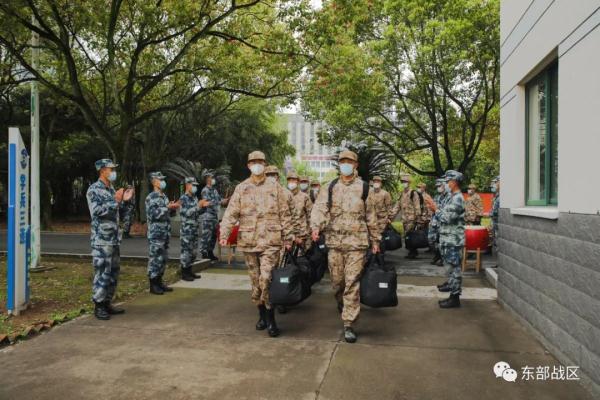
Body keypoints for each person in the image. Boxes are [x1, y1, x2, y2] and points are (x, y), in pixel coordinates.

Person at [219, 151, 293, 337]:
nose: (257, 165)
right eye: (254, 162)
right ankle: (261, 315)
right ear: (248, 165)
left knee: (266, 279)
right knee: (255, 282)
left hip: (271, 242)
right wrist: (224, 233)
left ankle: (271, 319)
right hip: (249, 241)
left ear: (265, 164)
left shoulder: (275, 187)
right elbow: (231, 213)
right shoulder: (242, 188)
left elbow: (285, 213)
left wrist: (289, 237)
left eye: (260, 162)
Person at [310, 150, 381, 343]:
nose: (345, 164)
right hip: (334, 243)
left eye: (349, 161)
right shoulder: (330, 187)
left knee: (352, 283)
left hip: (357, 245)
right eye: (342, 161)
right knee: (337, 283)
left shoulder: (364, 188)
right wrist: (315, 226)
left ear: (356, 165)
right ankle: (342, 304)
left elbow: (371, 218)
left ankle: (349, 323)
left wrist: (375, 241)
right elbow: (319, 208)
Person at [86, 159, 133, 320]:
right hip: (102, 240)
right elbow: (97, 211)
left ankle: (107, 302)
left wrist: (125, 201)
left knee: (113, 272)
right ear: (102, 170)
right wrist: (116, 201)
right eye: (111, 169)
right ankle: (99, 305)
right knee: (102, 272)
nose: (113, 171)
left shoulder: (111, 189)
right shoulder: (94, 190)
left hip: (113, 238)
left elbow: (118, 211)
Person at [425, 170, 466, 308]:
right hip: (447, 239)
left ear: (454, 182)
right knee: (449, 268)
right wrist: (434, 207)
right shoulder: (451, 197)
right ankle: (452, 289)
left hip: (453, 241)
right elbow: (441, 213)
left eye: (448, 181)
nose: (446, 184)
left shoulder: (458, 198)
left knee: (454, 269)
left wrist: (434, 206)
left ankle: (455, 298)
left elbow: (446, 217)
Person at [145, 172, 180, 295]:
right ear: (154, 182)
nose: (162, 181)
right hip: (156, 233)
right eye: (160, 179)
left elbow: (166, 214)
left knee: (163, 258)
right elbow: (154, 214)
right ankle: (153, 284)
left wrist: (172, 208)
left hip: (164, 233)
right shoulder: (151, 197)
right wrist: (168, 208)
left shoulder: (163, 196)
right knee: (155, 258)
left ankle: (159, 281)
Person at [179, 177, 205, 281]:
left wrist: (203, 207)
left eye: (195, 185)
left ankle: (190, 271)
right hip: (186, 229)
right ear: (187, 185)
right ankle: (184, 273)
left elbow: (197, 213)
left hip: (194, 228)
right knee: (186, 251)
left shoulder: (194, 198)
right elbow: (186, 213)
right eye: (193, 185)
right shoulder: (183, 199)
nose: (194, 187)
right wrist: (198, 206)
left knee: (193, 252)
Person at [391, 174, 422, 258]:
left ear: (409, 182)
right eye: (402, 182)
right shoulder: (401, 194)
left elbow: (417, 206)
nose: (404, 183)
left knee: (410, 235)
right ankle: (412, 251)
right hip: (404, 219)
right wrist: (391, 216)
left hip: (412, 219)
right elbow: (397, 206)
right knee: (407, 236)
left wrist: (418, 219)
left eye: (405, 181)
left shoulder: (413, 193)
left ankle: (413, 251)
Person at [199, 172, 224, 261]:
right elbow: (207, 203)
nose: (213, 179)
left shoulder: (214, 190)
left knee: (213, 236)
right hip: (208, 216)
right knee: (206, 235)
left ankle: (210, 252)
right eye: (211, 177)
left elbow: (219, 200)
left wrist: (225, 200)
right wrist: (218, 202)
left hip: (215, 216)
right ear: (207, 179)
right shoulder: (205, 190)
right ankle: (204, 252)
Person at [287, 171, 312, 249]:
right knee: (285, 260)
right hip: (287, 235)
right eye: (290, 180)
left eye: (294, 180)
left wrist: (308, 232)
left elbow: (310, 215)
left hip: (302, 235)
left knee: (300, 259)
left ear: (298, 182)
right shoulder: (283, 195)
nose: (292, 182)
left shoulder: (304, 197)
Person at [428, 178, 449, 266]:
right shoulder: (437, 196)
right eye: (437, 186)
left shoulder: (449, 197)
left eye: (440, 186)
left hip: (443, 222)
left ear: (444, 185)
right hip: (435, 221)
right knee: (432, 240)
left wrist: (435, 208)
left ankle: (442, 258)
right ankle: (437, 255)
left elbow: (445, 211)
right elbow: (433, 208)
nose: (438, 188)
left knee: (442, 241)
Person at [369, 176, 393, 242]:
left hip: (382, 219)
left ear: (381, 183)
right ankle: (374, 250)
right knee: (372, 235)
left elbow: (389, 207)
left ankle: (380, 250)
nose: (376, 182)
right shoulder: (369, 193)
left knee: (380, 236)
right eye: (374, 181)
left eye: (378, 181)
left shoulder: (385, 193)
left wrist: (390, 218)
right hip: (371, 219)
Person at [490, 176, 500, 252]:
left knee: (499, 242)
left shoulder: (501, 197)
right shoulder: (495, 196)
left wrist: (491, 213)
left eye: (495, 182)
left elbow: (496, 211)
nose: (493, 184)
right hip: (495, 223)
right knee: (495, 242)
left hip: (498, 224)